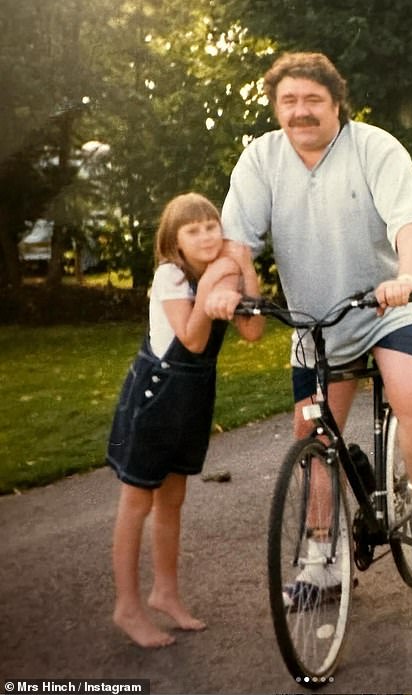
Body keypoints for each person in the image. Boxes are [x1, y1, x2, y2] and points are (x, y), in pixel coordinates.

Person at [209, 52, 412, 599]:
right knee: (313, 436)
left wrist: (408, 275)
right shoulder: (261, 159)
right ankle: (322, 560)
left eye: (312, 100)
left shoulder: (375, 147)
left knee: (411, 395)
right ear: (275, 107)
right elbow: (236, 242)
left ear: (336, 102)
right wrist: (230, 286)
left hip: (389, 305)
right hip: (317, 319)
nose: (300, 112)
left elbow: (410, 222)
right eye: (288, 101)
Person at [107, 192, 264, 648]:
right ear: (174, 242)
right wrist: (217, 276)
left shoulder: (223, 271)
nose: (206, 235)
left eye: (211, 226)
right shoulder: (172, 276)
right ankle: (127, 606)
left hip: (192, 398)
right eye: (193, 230)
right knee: (137, 501)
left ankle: (166, 592)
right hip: (156, 395)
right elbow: (193, 341)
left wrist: (245, 272)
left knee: (172, 499)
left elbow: (253, 331)